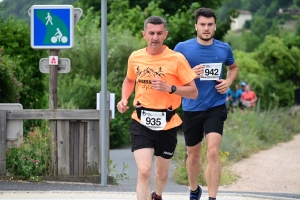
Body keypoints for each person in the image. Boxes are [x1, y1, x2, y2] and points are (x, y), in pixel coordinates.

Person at [116, 16, 198, 200]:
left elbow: (193, 92)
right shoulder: (135, 57)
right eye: (151, 33)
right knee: (144, 171)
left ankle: (158, 195)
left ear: (165, 35)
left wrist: (170, 88)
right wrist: (123, 99)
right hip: (141, 120)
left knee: (160, 175)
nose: (155, 37)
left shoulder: (177, 59)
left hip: (167, 123)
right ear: (144, 34)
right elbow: (129, 80)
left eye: (159, 33)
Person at [174, 7, 239, 200]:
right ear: (196, 26)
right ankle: (194, 190)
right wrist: (192, 73)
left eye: (210, 24)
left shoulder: (223, 48)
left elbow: (233, 67)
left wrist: (228, 82)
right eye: (202, 24)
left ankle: (212, 198)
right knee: (193, 155)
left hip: (215, 107)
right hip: (191, 107)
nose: (206, 28)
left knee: (212, 152)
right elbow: (173, 77)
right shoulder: (182, 49)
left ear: (215, 26)